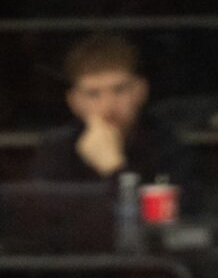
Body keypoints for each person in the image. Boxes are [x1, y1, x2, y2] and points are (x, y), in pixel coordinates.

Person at [27, 34, 190, 190]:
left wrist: (114, 168)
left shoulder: (165, 145)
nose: (108, 106)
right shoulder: (57, 149)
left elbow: (181, 206)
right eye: (93, 94)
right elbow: (44, 207)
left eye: (119, 90)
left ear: (140, 91)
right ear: (74, 101)